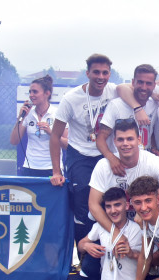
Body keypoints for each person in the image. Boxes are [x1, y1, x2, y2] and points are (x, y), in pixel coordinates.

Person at [49, 54, 118, 243]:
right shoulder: (71, 99)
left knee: (111, 200)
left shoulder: (114, 91)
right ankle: (85, 251)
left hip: (105, 153)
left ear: (110, 74)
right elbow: (55, 135)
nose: (100, 77)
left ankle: (109, 247)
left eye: (105, 73)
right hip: (80, 154)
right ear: (87, 73)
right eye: (96, 72)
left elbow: (132, 91)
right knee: (83, 206)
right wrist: (56, 171)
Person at [88, 118, 159, 232]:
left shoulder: (154, 162)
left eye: (130, 139)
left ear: (139, 140)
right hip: (116, 227)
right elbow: (93, 204)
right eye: (121, 139)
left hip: (148, 227)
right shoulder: (103, 166)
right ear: (114, 141)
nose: (125, 144)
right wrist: (115, 234)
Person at [97, 64, 159, 177]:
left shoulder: (154, 105)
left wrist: (154, 148)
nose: (144, 87)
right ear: (133, 82)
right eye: (140, 82)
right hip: (120, 166)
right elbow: (100, 139)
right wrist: (112, 159)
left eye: (148, 83)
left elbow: (150, 132)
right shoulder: (116, 105)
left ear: (154, 85)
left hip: (145, 165)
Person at [10, 75, 66, 177]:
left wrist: (51, 133)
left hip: (51, 168)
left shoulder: (58, 114)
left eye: (35, 92)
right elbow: (14, 141)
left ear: (47, 93)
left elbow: (67, 144)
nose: (31, 95)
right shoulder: (28, 114)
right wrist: (20, 117)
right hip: (29, 167)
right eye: (30, 92)